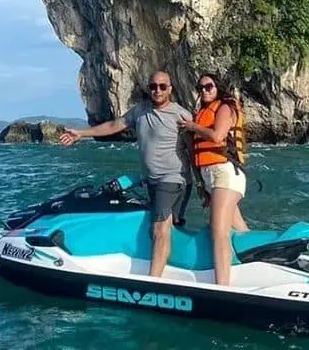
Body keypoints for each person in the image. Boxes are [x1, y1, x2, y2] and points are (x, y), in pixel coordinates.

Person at [59, 71, 192, 278]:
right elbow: (114, 125)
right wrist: (81, 134)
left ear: (170, 89)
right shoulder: (140, 111)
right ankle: (176, 267)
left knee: (160, 226)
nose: (157, 90)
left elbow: (194, 148)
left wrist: (205, 184)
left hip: (173, 178)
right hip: (151, 180)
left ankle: (153, 281)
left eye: (162, 86)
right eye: (153, 86)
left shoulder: (181, 115)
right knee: (166, 225)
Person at [177, 73, 249, 286]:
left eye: (209, 86)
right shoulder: (201, 112)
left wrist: (192, 127)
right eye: (200, 88)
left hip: (225, 173)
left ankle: (222, 285)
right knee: (240, 231)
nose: (204, 91)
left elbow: (218, 136)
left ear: (218, 87)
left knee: (218, 232)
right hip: (212, 177)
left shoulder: (225, 107)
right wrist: (201, 185)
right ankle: (261, 263)